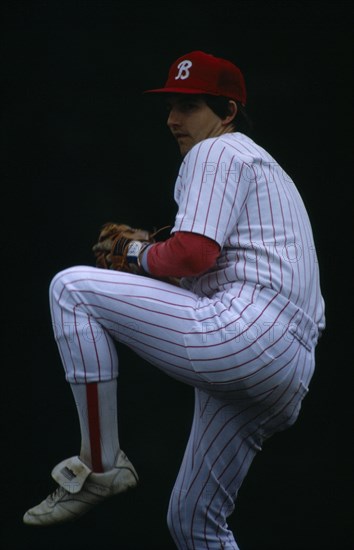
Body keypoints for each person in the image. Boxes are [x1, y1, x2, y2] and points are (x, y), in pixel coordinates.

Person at [24, 50, 325, 549]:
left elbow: (192, 255)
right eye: (170, 106)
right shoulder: (267, 169)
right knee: (193, 524)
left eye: (189, 106)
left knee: (71, 289)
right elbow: (203, 267)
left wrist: (140, 253)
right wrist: (153, 256)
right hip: (284, 373)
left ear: (227, 112)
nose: (172, 119)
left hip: (244, 333)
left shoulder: (217, 152)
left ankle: (100, 465)